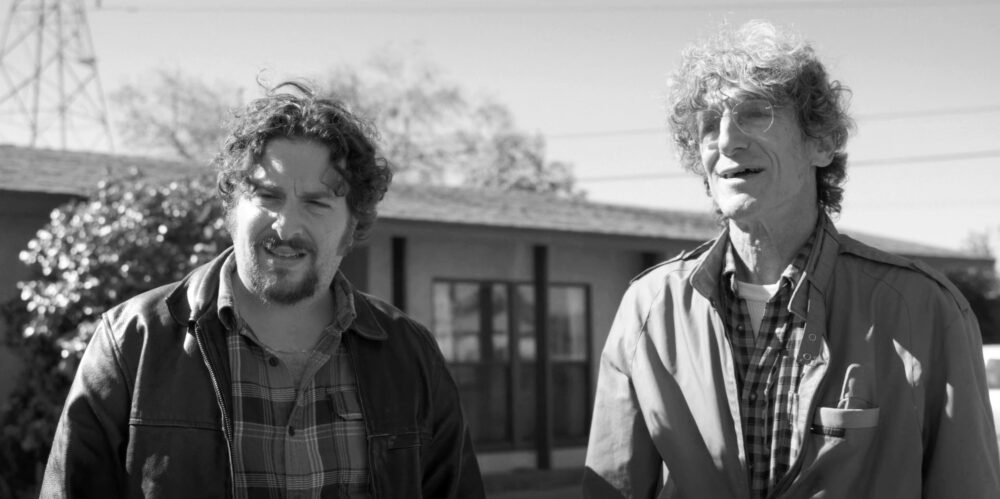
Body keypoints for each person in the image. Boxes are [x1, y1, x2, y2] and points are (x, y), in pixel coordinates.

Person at [583, 20, 1000, 498]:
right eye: (707, 126)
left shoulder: (923, 308)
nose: (726, 141)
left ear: (821, 143)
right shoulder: (650, 309)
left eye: (755, 113)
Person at [41, 81, 485, 498]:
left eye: (316, 202)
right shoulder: (132, 343)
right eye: (268, 196)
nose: (287, 225)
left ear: (354, 224)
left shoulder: (411, 355)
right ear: (232, 208)